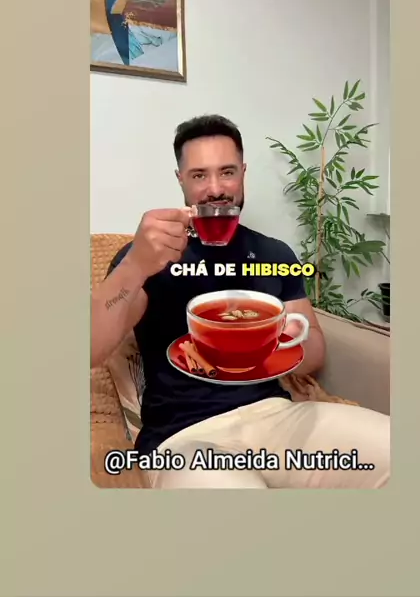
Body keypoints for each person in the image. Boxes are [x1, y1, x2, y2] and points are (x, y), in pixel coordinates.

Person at [91, 115, 390, 489]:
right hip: (184, 437)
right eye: (199, 175)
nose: (216, 189)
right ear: (181, 179)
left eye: (227, 172)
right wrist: (135, 265)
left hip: (276, 416)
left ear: (243, 173)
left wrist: (265, 341)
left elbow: (313, 351)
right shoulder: (148, 256)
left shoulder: (274, 252)